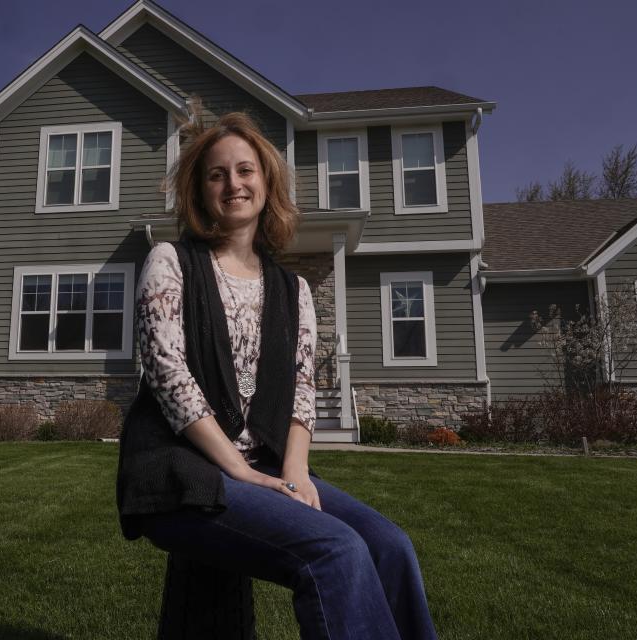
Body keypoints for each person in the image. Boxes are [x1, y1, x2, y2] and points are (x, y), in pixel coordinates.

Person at [116, 110, 438, 640]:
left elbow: (302, 391)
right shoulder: (169, 261)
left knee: (389, 545)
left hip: (263, 466)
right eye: (217, 174)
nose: (233, 184)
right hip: (180, 474)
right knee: (335, 551)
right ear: (200, 189)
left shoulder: (294, 290)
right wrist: (241, 473)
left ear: (266, 182)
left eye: (245, 170)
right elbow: (168, 374)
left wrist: (296, 474)